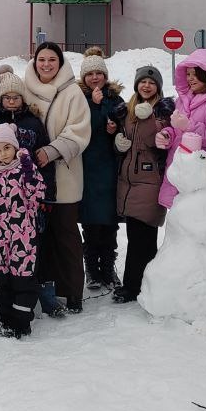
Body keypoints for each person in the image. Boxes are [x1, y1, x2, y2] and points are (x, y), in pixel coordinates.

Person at [22, 42, 92, 314]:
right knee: (39, 236)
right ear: (35, 61)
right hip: (29, 179)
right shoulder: (25, 88)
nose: (46, 64)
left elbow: (80, 131)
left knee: (66, 235)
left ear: (60, 63)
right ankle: (44, 289)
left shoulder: (72, 92)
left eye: (52, 59)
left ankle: (73, 290)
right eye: (42, 59)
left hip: (64, 175)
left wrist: (52, 151)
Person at [112, 66, 172, 304]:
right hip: (128, 182)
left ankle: (133, 287)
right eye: (143, 82)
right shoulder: (126, 110)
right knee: (138, 237)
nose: (146, 86)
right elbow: (122, 141)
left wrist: (151, 121)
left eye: (152, 82)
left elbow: (159, 143)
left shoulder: (163, 112)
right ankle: (143, 285)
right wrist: (117, 143)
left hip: (150, 181)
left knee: (142, 238)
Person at [0, 124, 46, 339]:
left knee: (23, 279)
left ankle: (21, 322)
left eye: (7, 148)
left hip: (23, 238)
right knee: (2, 279)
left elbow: (37, 194)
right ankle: (5, 317)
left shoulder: (24, 170)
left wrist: (28, 169)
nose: (3, 154)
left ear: (15, 147)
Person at [159, 49, 206, 210]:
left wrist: (188, 126)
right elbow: (177, 129)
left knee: (203, 229)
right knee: (182, 230)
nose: (190, 78)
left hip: (205, 180)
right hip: (182, 177)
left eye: (195, 73)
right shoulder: (183, 99)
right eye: (187, 74)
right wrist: (167, 135)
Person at [77, 48, 126, 291]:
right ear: (83, 77)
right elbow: (81, 130)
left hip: (109, 168)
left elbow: (123, 130)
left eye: (99, 73)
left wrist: (114, 130)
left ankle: (108, 268)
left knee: (109, 223)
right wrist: (96, 109)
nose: (95, 77)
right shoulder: (77, 99)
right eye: (90, 73)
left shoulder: (116, 100)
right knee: (90, 223)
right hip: (86, 168)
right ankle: (92, 271)